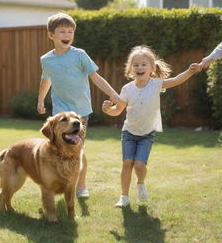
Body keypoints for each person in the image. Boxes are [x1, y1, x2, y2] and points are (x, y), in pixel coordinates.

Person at [102, 45, 201, 207]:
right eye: (135, 65)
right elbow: (117, 110)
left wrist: (190, 71)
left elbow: (176, 81)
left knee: (140, 165)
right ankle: (124, 197)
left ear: (152, 68)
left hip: (147, 134)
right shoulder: (126, 89)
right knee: (127, 163)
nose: (139, 67)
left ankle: (140, 183)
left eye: (143, 64)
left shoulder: (156, 84)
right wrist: (107, 109)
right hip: (129, 132)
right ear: (130, 69)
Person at [37, 12, 121, 198]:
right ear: (51, 35)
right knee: (56, 149)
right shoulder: (47, 59)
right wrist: (41, 99)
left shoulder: (80, 55)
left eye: (70, 31)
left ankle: (80, 185)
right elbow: (46, 79)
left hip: (80, 113)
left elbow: (96, 77)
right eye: (62, 31)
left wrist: (113, 93)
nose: (67, 35)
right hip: (60, 113)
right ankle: (58, 181)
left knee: (76, 149)